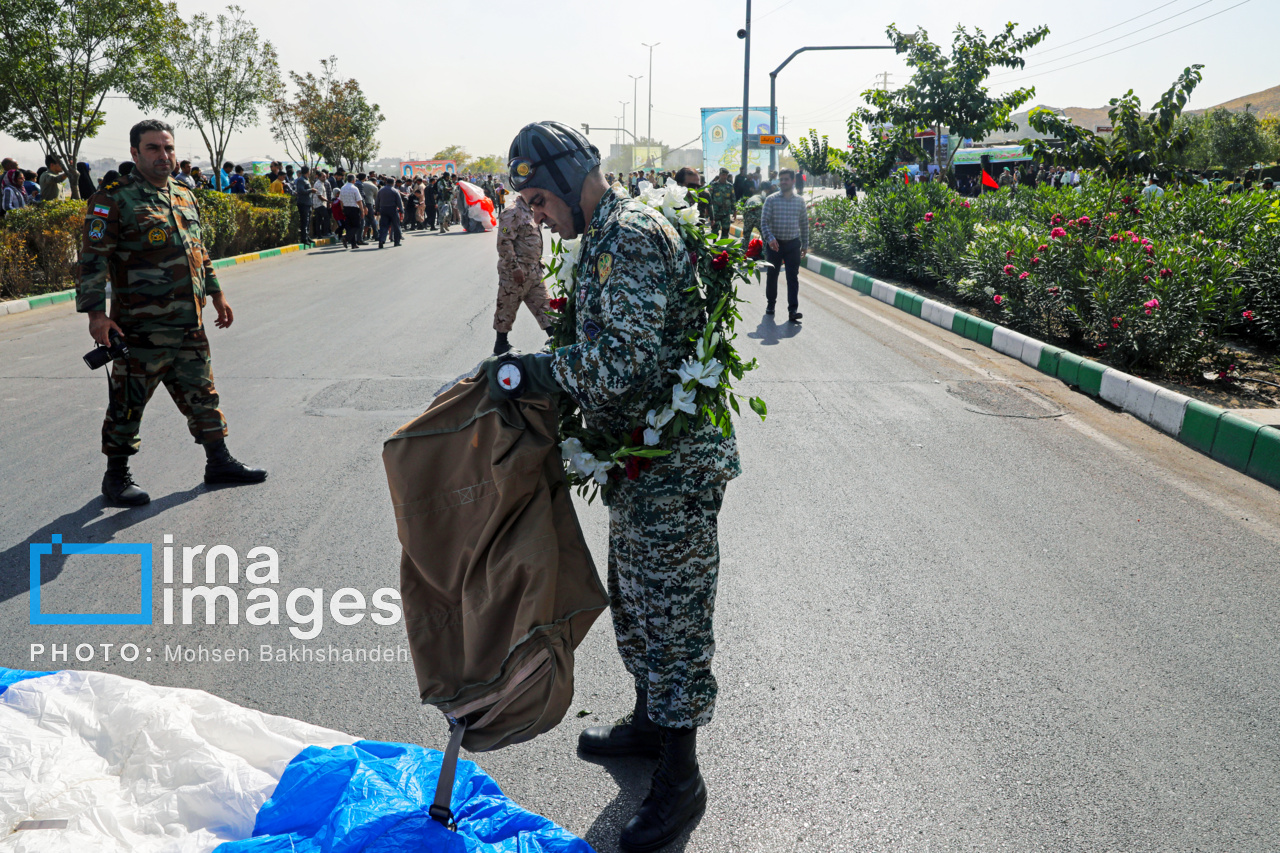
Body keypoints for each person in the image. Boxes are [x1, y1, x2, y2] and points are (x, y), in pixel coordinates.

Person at [489, 121, 739, 853]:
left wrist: (531, 373)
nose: (535, 214)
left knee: (673, 613)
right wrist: (533, 293)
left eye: (538, 198)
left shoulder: (628, 234)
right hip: (640, 460)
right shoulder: (599, 236)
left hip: (674, 465)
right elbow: (590, 330)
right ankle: (649, 722)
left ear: (570, 178)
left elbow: (620, 364)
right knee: (635, 596)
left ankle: (681, 778)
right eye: (528, 203)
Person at [76, 119, 267, 506]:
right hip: (139, 330)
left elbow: (198, 251)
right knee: (127, 404)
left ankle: (219, 462)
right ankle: (116, 478)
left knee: (203, 394)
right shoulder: (113, 199)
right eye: (153, 148)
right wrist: (97, 317)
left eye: (168, 148)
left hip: (188, 324)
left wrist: (216, 294)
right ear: (135, 153)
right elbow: (93, 262)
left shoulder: (183, 194)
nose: (163, 156)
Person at [492, 194, 550, 353]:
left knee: (544, 304)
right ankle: (501, 344)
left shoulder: (532, 211)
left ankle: (555, 338)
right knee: (507, 307)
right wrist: (514, 267)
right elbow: (504, 241)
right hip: (516, 272)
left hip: (534, 270)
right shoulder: (512, 212)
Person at [760, 168, 807, 323]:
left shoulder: (800, 201)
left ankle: (793, 310)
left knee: (792, 277)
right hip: (775, 245)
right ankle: (771, 304)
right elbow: (764, 222)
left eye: (786, 179)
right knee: (772, 275)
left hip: (793, 243)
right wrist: (770, 238)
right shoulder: (771, 200)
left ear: (793, 181)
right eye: (781, 179)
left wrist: (805, 244)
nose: (783, 182)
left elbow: (804, 224)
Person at [706, 168, 735, 240]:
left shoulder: (730, 186)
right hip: (716, 213)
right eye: (723, 175)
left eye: (726, 175)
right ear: (719, 175)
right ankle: (714, 246)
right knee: (715, 231)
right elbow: (709, 199)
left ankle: (723, 248)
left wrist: (735, 212)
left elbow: (733, 200)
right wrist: (708, 211)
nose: (724, 176)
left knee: (725, 231)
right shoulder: (714, 185)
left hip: (726, 213)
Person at [338, 173, 365, 249]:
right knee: (357, 226)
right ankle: (346, 238)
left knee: (350, 227)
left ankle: (353, 244)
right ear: (353, 180)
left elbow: (341, 200)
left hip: (346, 209)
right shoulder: (354, 188)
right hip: (354, 209)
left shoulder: (343, 188)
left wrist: (342, 208)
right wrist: (362, 211)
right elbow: (359, 201)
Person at [376, 178, 404, 248]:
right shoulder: (395, 191)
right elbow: (399, 202)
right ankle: (396, 242)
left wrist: (377, 210)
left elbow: (377, 201)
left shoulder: (381, 190)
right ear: (393, 183)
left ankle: (381, 240)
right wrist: (402, 211)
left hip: (383, 209)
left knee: (383, 226)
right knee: (396, 226)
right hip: (393, 209)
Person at [294, 166, 313, 244]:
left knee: (308, 221)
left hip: (308, 203)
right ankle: (304, 238)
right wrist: (311, 190)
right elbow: (301, 190)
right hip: (303, 203)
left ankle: (307, 236)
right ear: (307, 171)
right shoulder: (301, 180)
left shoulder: (306, 179)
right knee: (304, 221)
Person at [358, 173, 378, 242]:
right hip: (368, 204)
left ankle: (361, 236)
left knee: (362, 221)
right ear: (374, 182)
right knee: (372, 219)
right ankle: (376, 235)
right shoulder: (374, 187)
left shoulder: (360, 183)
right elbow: (376, 198)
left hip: (358, 204)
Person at [312, 170, 331, 237]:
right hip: (320, 204)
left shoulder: (319, 183)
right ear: (319, 177)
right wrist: (328, 201)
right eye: (323, 177)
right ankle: (325, 233)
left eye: (325, 177)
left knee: (319, 220)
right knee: (327, 217)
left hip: (317, 204)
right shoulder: (319, 184)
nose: (325, 178)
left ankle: (319, 234)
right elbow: (320, 196)